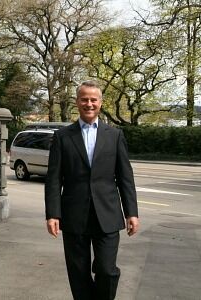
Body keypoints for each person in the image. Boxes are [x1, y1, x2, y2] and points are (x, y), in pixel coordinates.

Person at [45, 80, 139, 300]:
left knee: (107, 270)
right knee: (78, 273)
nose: (89, 103)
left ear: (100, 102)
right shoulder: (62, 137)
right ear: (77, 102)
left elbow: (125, 177)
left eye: (93, 99)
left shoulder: (114, 136)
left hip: (107, 214)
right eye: (84, 99)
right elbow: (53, 178)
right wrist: (52, 214)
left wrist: (131, 213)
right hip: (74, 214)